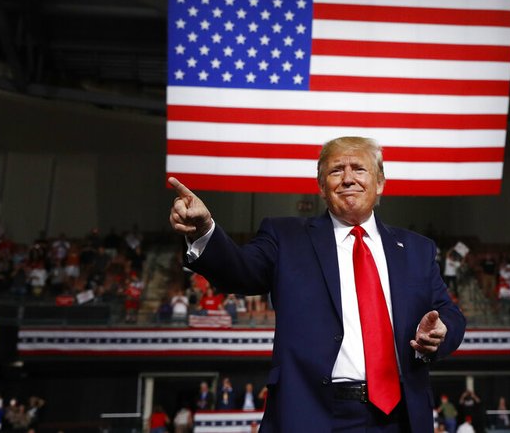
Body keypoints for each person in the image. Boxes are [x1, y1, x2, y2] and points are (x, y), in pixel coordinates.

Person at [169, 136, 466, 432]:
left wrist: (441, 332)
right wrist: (205, 231)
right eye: (336, 170)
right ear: (322, 187)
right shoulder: (285, 237)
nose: (348, 178)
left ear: (380, 183)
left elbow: (448, 313)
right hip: (314, 414)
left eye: (359, 169)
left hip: (401, 418)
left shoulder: (417, 249)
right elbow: (239, 271)